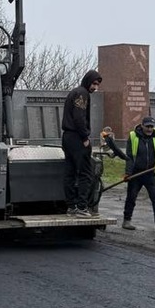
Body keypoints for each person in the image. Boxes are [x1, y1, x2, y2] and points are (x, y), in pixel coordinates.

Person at [102, 115, 155, 232]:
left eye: (151, 126)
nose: (150, 129)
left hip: (150, 172)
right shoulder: (133, 136)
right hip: (136, 174)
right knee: (131, 197)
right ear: (142, 126)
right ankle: (127, 221)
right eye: (147, 127)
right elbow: (129, 157)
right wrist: (128, 173)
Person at [61, 69, 102, 217]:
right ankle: (82, 207)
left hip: (67, 137)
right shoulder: (82, 94)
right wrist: (85, 137)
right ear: (88, 81)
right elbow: (79, 118)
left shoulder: (75, 92)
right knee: (86, 173)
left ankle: (71, 207)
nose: (95, 88)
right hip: (77, 138)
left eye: (97, 85)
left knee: (70, 172)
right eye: (94, 84)